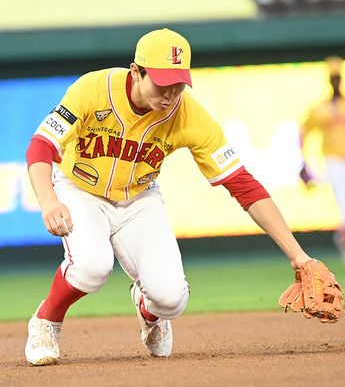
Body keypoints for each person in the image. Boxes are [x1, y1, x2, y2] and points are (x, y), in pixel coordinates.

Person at [23, 28, 329, 366]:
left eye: (178, 84)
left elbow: (243, 184)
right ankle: (46, 321)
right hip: (79, 189)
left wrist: (299, 256)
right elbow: (41, 145)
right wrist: (48, 200)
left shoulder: (188, 115)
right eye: (162, 83)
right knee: (91, 267)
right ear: (136, 71)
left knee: (170, 299)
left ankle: (148, 309)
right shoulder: (94, 89)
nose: (170, 94)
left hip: (138, 198)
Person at [299, 56, 345, 273]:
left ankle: (344, 235)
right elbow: (302, 133)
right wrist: (303, 163)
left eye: (337, 78)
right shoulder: (319, 109)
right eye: (332, 79)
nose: (335, 82)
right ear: (328, 81)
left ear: (342, 80)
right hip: (333, 162)